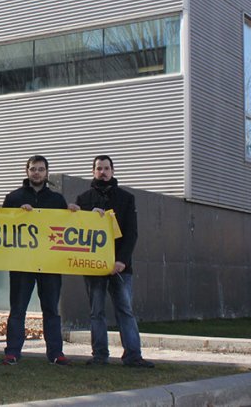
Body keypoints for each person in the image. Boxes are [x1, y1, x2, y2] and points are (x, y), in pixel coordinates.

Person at [68, 155, 155, 368]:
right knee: (96, 311)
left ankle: (133, 356)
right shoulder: (83, 199)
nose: (103, 172)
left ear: (113, 171)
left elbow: (131, 233)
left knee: (124, 310)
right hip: (93, 266)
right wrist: (71, 213)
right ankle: (99, 355)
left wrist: (122, 261)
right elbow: (78, 231)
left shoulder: (126, 198)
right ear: (93, 171)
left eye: (107, 168)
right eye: (99, 168)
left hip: (120, 267)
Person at [1, 156, 73, 366]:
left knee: (51, 309)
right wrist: (17, 215)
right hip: (22, 263)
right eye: (33, 169)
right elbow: (2, 228)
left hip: (50, 263)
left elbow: (67, 227)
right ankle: (12, 352)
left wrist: (74, 214)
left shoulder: (57, 200)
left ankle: (55, 353)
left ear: (47, 173)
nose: (37, 173)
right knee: (18, 309)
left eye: (41, 169)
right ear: (27, 171)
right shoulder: (13, 198)